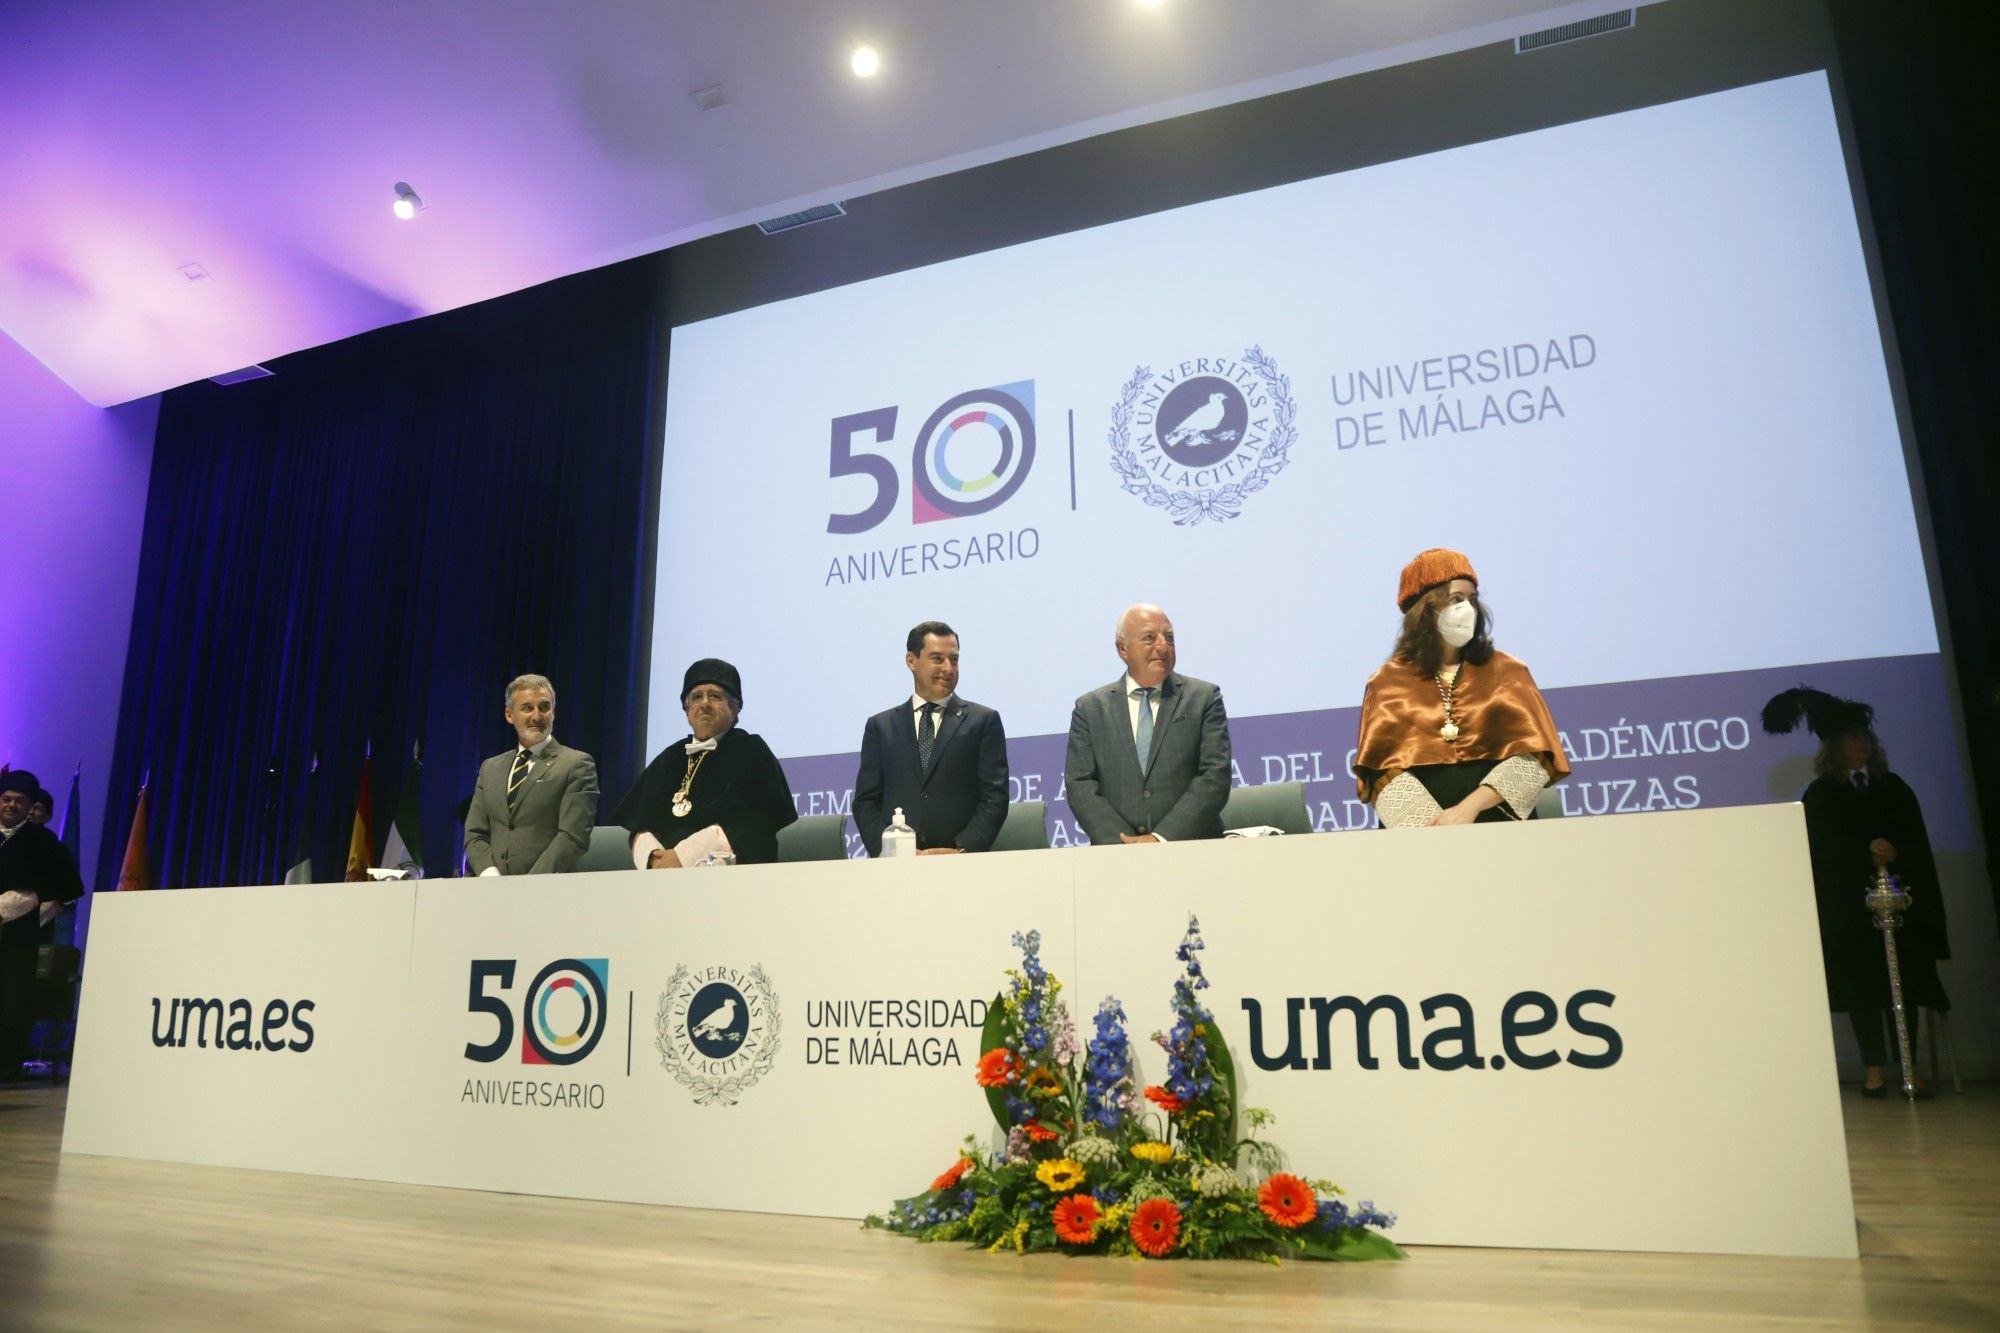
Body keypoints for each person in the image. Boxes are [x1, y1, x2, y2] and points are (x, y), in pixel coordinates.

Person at [1763, 687, 1950, 1098]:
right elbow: (1821, 847)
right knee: (1865, 990)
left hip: (1900, 906)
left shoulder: (1893, 787)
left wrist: (1894, 850)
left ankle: (1909, 1063)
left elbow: (1916, 839)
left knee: (1904, 984)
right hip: (1852, 911)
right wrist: (1863, 850)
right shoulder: (1823, 794)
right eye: (1853, 737)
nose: (1863, 743)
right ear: (1835, 746)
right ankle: (1875, 1068)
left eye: (1866, 736)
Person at [1354, 548, 1568, 827]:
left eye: (1472, 599)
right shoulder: (1385, 682)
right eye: (1455, 599)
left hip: (1499, 823)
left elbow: (1536, 757)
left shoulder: (1509, 670)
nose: (1467, 609)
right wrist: (1435, 827)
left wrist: (1470, 808)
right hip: (1421, 835)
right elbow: (1379, 772)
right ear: (1425, 609)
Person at [1063, 604, 1231, 844]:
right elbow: (1080, 784)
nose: (1163, 646)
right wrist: (1123, 842)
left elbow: (1215, 776)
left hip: (1192, 851)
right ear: (1122, 648)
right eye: (1150, 638)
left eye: (1169, 637)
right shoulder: (1090, 709)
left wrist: (1160, 838)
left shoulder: (1203, 698)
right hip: (1116, 857)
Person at [613, 659, 797, 867]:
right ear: (687, 711)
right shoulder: (670, 757)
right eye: (697, 697)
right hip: (662, 883)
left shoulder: (752, 751)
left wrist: (683, 858)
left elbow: (753, 823)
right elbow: (640, 824)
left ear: (734, 709)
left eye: (715, 696)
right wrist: (653, 858)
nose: (705, 704)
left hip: (729, 881)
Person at [854, 621, 1009, 856]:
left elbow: (994, 798)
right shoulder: (881, 727)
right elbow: (866, 802)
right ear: (911, 661)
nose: (948, 668)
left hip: (962, 864)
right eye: (937, 659)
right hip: (896, 867)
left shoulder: (982, 721)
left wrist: (961, 849)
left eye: (954, 660)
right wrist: (889, 850)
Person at [463, 673, 600, 876]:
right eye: (527, 708)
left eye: (544, 707)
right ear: (510, 715)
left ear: (553, 713)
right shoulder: (490, 768)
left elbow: (573, 836)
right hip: (491, 892)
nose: (537, 716)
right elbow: (475, 833)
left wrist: (528, 886)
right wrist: (490, 876)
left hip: (548, 893)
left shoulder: (576, 765)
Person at [0, 770, 84, 1080]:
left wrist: (32, 898)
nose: (11, 805)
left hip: (16, 936)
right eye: (6, 799)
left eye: (19, 801)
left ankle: (6, 1066)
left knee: (10, 1000)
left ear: (30, 806)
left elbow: (68, 885)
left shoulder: (43, 842)